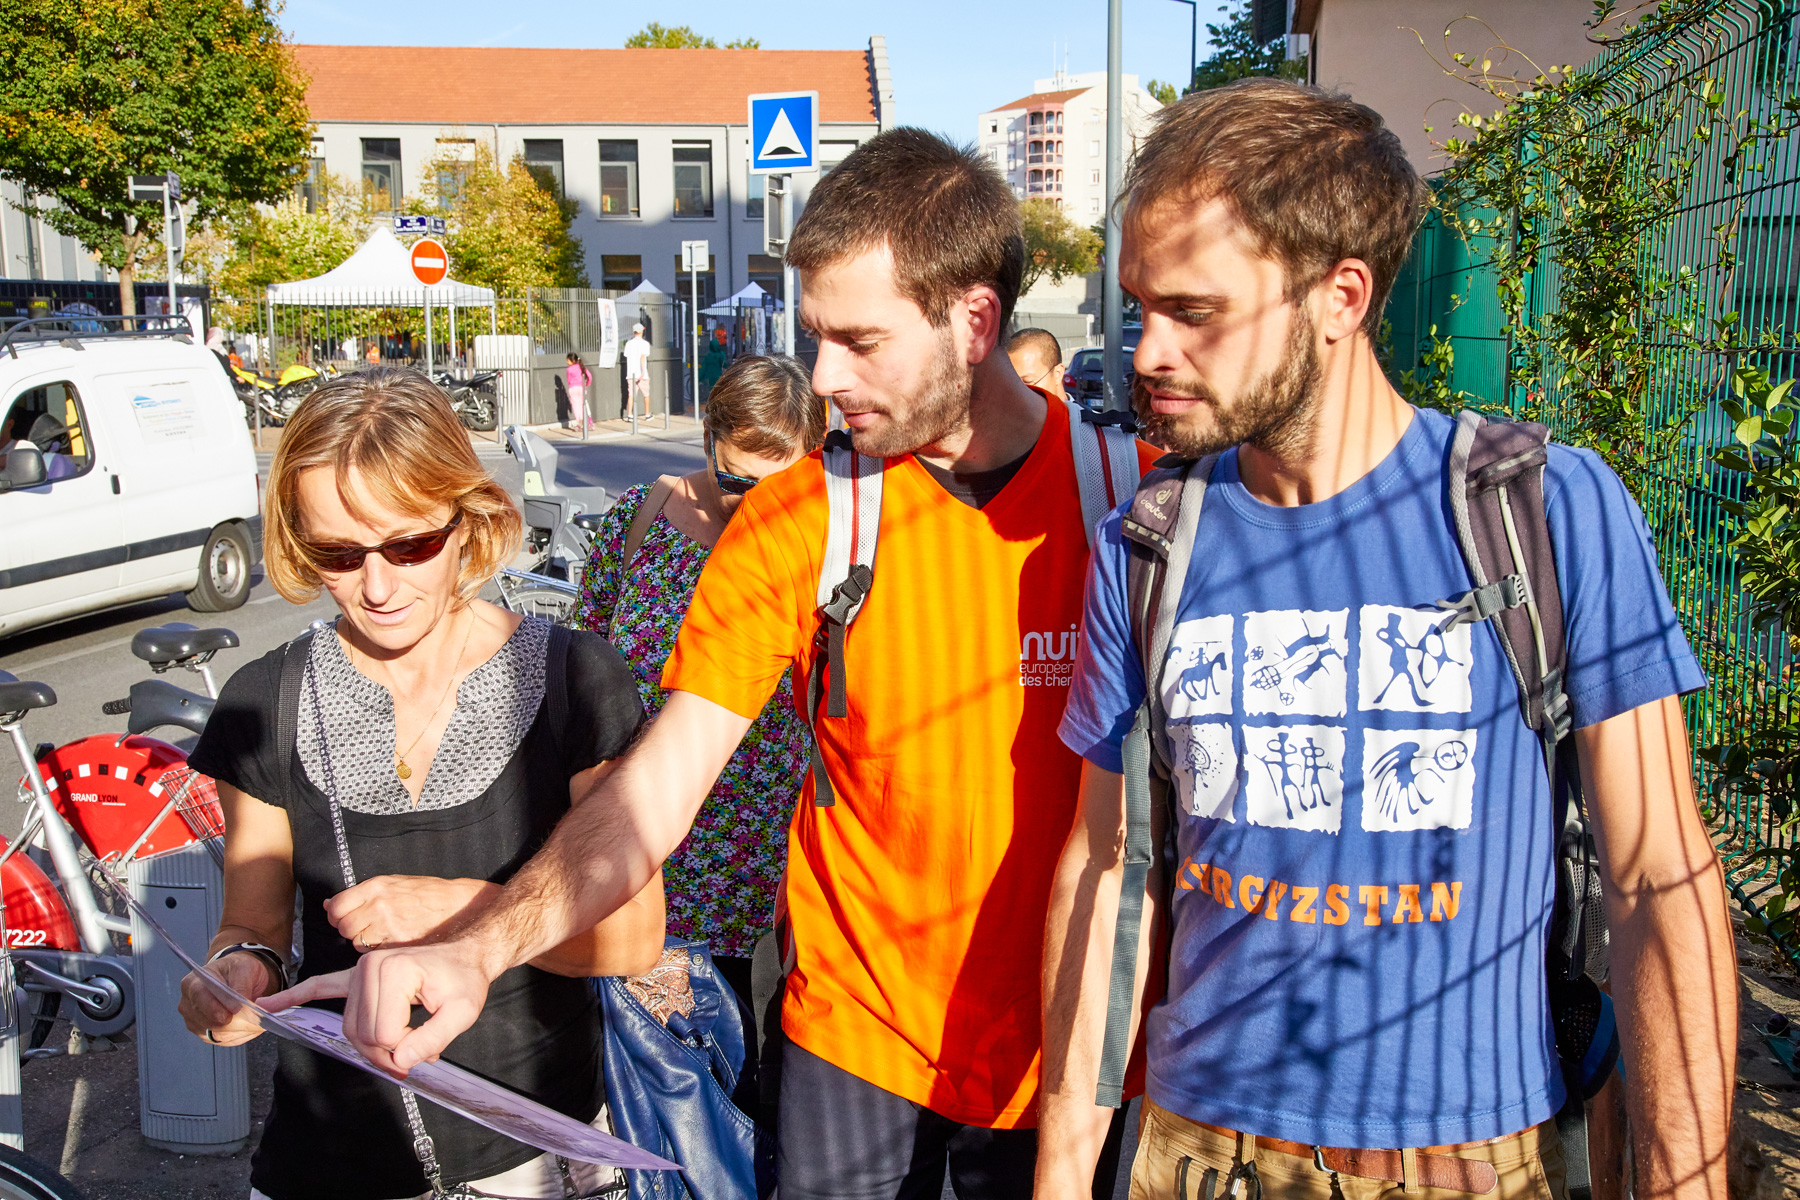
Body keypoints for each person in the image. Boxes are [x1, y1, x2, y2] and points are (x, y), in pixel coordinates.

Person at [298, 128, 1158, 1200]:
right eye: (816, 337)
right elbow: (656, 785)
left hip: (1072, 1029)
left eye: (860, 341)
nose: (823, 378)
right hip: (859, 1033)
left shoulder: (1135, 503)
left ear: (974, 321)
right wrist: (482, 945)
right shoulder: (805, 516)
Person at [1038, 80, 1734, 1199]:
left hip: (1470, 1161)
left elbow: (1661, 876)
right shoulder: (1149, 543)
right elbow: (1108, 867)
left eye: (1194, 310)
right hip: (1198, 1157)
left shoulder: (1546, 511)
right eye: (1139, 306)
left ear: (1340, 296)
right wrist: (1064, 1175)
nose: (1147, 351)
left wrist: (1686, 1181)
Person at [177, 367, 665, 1200]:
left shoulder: (575, 679)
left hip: (537, 1151)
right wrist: (234, 972)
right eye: (337, 554)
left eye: (409, 546)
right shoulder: (269, 700)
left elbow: (633, 939)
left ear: (467, 517)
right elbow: (252, 925)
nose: (377, 587)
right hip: (328, 1158)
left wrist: (461, 909)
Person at [573, 353, 823, 1015]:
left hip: (768, 871)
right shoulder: (641, 519)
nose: (758, 506)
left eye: (782, 487)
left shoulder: (822, 539)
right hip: (642, 853)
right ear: (707, 439)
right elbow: (580, 665)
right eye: (738, 482)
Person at [1007, 327, 1068, 402]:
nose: (1019, 393)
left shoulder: (1078, 410)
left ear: (1058, 374)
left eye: (1027, 382)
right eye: (1013, 384)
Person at [623, 323, 652, 419]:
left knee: (631, 394)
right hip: (642, 374)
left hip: (631, 373)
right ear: (642, 331)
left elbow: (626, 355)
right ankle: (647, 414)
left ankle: (630, 414)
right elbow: (642, 357)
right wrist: (643, 372)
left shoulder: (628, 343)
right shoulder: (645, 344)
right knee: (646, 394)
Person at [566, 352, 594, 431]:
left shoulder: (569, 369)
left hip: (573, 389)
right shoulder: (581, 367)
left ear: (573, 360)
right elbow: (589, 376)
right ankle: (587, 422)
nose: (567, 362)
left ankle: (580, 422)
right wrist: (587, 383)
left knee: (576, 406)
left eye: (568, 360)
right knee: (583, 405)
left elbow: (568, 380)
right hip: (582, 388)